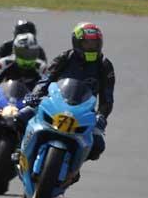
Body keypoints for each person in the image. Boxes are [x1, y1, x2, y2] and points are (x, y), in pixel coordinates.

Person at [22, 22, 115, 162]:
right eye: (87, 44)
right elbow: (46, 79)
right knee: (21, 116)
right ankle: (19, 152)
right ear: (76, 43)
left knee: (98, 145)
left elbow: (107, 98)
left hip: (83, 112)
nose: (91, 47)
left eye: (95, 44)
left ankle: (73, 167)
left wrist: (101, 116)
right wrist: (35, 94)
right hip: (55, 104)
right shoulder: (65, 57)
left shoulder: (105, 65)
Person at [0, 33, 47, 101]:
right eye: (24, 53)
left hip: (32, 103)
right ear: (15, 51)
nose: (28, 56)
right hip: (6, 101)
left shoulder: (41, 67)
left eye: (31, 53)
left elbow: (48, 86)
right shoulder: (4, 63)